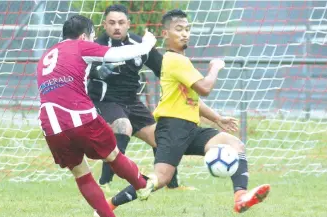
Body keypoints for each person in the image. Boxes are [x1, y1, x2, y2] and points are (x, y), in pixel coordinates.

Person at [102, 9, 270, 214]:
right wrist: (216, 67)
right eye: (178, 29)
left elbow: (191, 99)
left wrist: (217, 119)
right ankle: (108, 205)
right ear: (165, 34)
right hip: (173, 128)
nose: (184, 33)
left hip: (189, 127)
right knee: (159, 179)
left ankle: (240, 197)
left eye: (187, 29)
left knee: (235, 144)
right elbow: (205, 89)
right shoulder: (175, 60)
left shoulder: (179, 61)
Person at [36, 15, 158, 217]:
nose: (93, 40)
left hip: (50, 125)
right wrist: (147, 44)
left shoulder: (46, 55)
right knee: (112, 155)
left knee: (81, 173)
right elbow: (119, 53)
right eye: (92, 36)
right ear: (84, 36)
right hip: (79, 115)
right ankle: (142, 185)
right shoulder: (81, 46)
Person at [88, 4, 184, 191]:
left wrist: (178, 83)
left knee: (161, 137)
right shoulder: (96, 47)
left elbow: (163, 69)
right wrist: (98, 72)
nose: (117, 27)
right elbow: (84, 71)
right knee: (123, 126)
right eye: (112, 23)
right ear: (104, 25)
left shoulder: (140, 44)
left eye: (121, 22)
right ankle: (105, 183)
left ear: (128, 24)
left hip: (132, 102)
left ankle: (172, 186)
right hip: (104, 101)